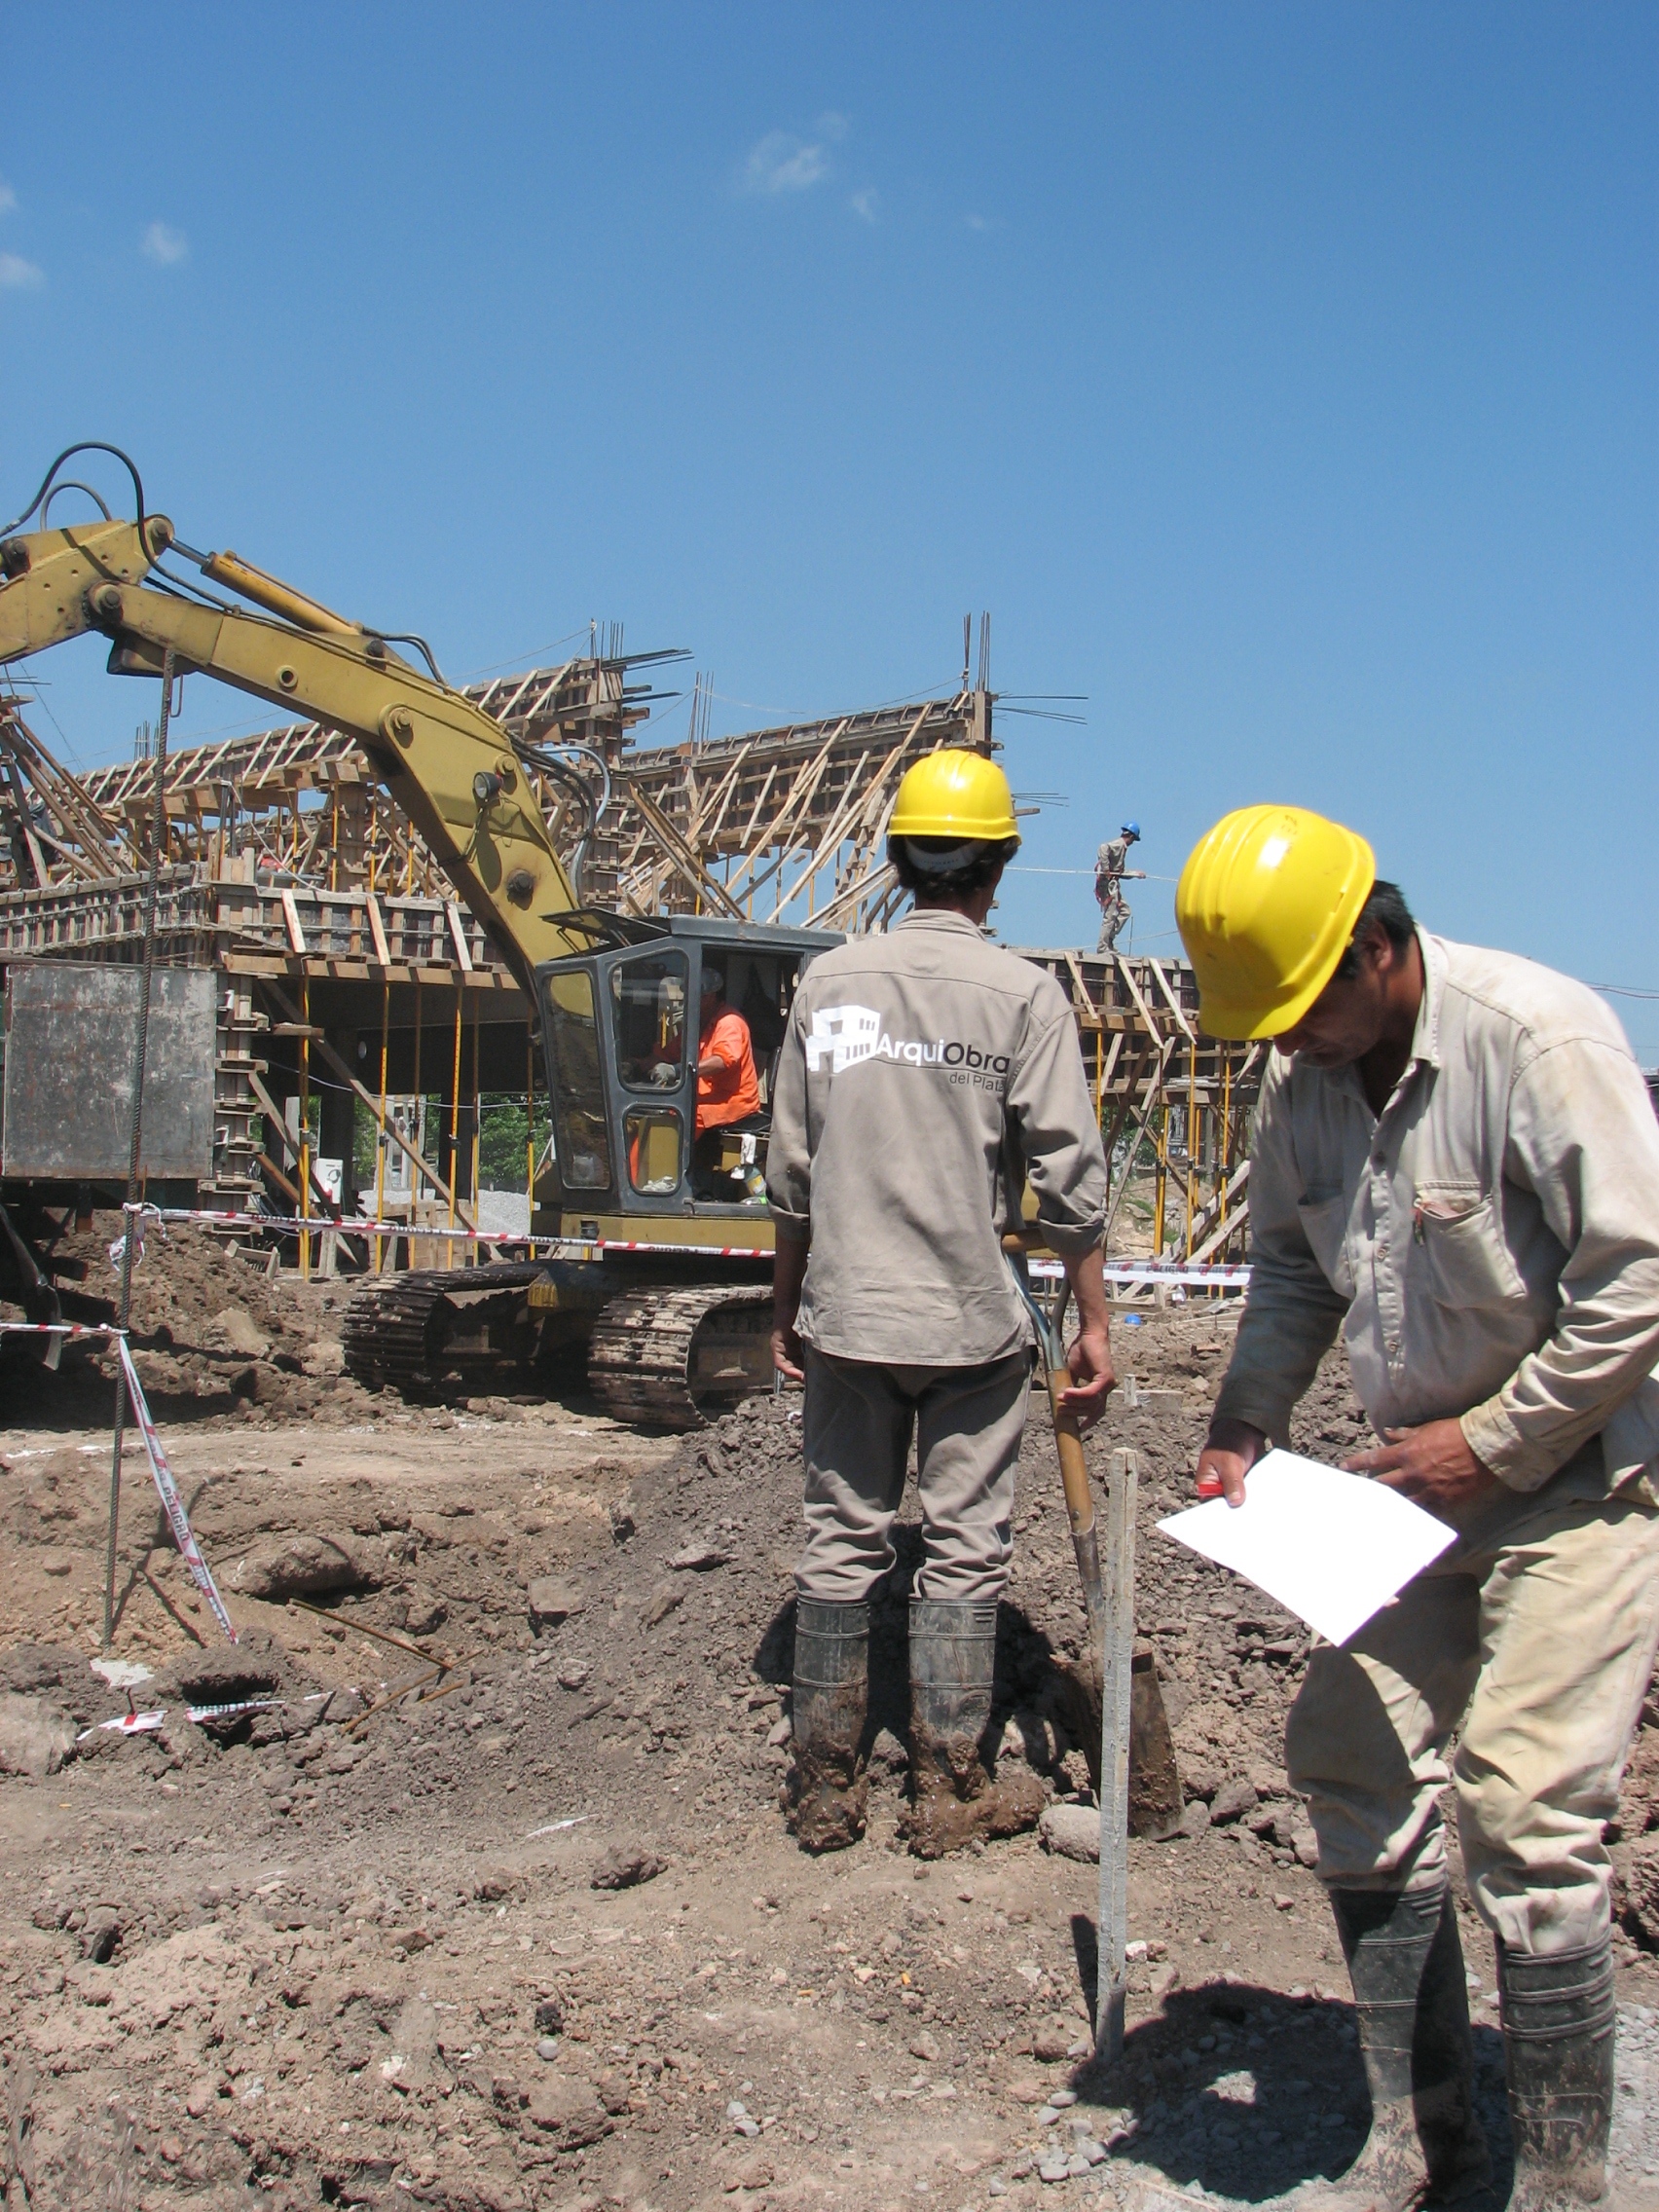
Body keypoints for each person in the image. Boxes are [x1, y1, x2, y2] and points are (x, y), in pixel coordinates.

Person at [1177, 804, 1659, 2212]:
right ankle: (1422, 2140)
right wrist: (1244, 1416)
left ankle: (1565, 2180)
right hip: (1421, 1494)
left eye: (1299, 1014)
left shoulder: (1537, 1040)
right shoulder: (1304, 1085)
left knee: (1526, 1808)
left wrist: (1493, 1446)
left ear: (1379, 951)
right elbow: (1291, 1275)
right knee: (1348, 1748)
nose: (1284, 1045)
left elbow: (1638, 1283)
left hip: (1575, 1481)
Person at [765, 749, 1115, 1858]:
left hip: (852, 1317)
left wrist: (786, 1305)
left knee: (839, 1541)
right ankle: (948, 1784)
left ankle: (824, 1786)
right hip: (971, 1326)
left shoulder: (828, 984)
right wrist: (1094, 1322)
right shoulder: (1022, 995)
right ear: (999, 868)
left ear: (897, 859)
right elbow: (1069, 1183)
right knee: (966, 1549)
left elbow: (792, 1174)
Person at [1095, 820, 1144, 951]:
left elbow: (1119, 873)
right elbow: (1103, 848)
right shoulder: (1119, 844)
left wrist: (1135, 874)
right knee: (1110, 915)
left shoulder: (1122, 848)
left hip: (1113, 884)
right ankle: (1102, 947)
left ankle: (1109, 939)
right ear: (1131, 837)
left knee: (1125, 911)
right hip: (1107, 885)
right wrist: (1106, 870)